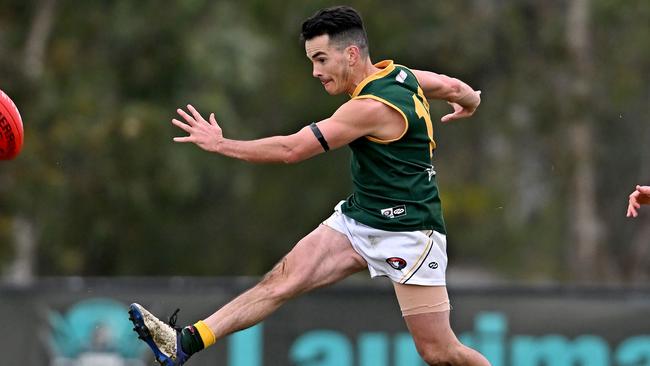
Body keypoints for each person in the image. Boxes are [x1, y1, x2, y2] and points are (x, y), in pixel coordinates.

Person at [128, 6, 489, 366]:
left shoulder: (369, 108)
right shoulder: (401, 75)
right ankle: (186, 342)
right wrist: (470, 102)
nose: (315, 71)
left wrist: (221, 144)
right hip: (359, 221)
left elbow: (291, 150)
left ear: (351, 54)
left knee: (439, 352)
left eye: (320, 59)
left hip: (410, 233)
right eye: (311, 61)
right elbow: (452, 86)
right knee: (279, 282)